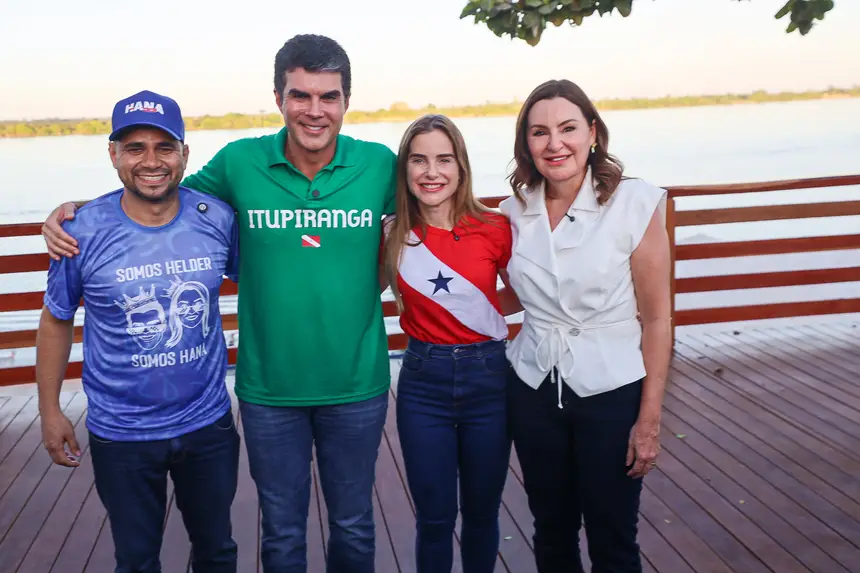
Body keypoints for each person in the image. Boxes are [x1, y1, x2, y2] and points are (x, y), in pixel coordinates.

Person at [40, 35, 395, 573]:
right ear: (278, 98)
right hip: (267, 391)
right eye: (300, 95)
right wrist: (77, 212)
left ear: (347, 100)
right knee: (280, 531)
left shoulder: (379, 165)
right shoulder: (238, 163)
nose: (315, 110)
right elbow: (156, 190)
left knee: (352, 525)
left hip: (356, 385)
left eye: (329, 96)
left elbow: (436, 197)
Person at [35, 89, 241, 573]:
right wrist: (50, 411)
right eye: (135, 148)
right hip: (121, 432)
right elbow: (56, 318)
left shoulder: (217, 219)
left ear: (185, 153)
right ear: (113, 154)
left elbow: (264, 281)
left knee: (217, 551)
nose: (151, 161)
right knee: (135, 559)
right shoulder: (80, 231)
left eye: (164, 147)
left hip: (207, 423)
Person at [498, 79, 672, 573]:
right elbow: (514, 292)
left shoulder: (634, 202)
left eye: (568, 128)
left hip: (611, 389)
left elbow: (657, 318)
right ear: (526, 143)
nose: (555, 143)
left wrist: (649, 419)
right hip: (533, 386)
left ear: (592, 133)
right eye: (539, 132)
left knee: (612, 538)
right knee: (551, 531)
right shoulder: (513, 211)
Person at [382, 114, 521, 573]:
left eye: (444, 159)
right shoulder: (391, 233)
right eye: (418, 160)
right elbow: (356, 291)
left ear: (461, 167)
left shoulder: (495, 227)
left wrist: (474, 308)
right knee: (435, 520)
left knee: (482, 513)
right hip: (424, 383)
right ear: (405, 169)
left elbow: (528, 292)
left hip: (490, 380)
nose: (431, 172)